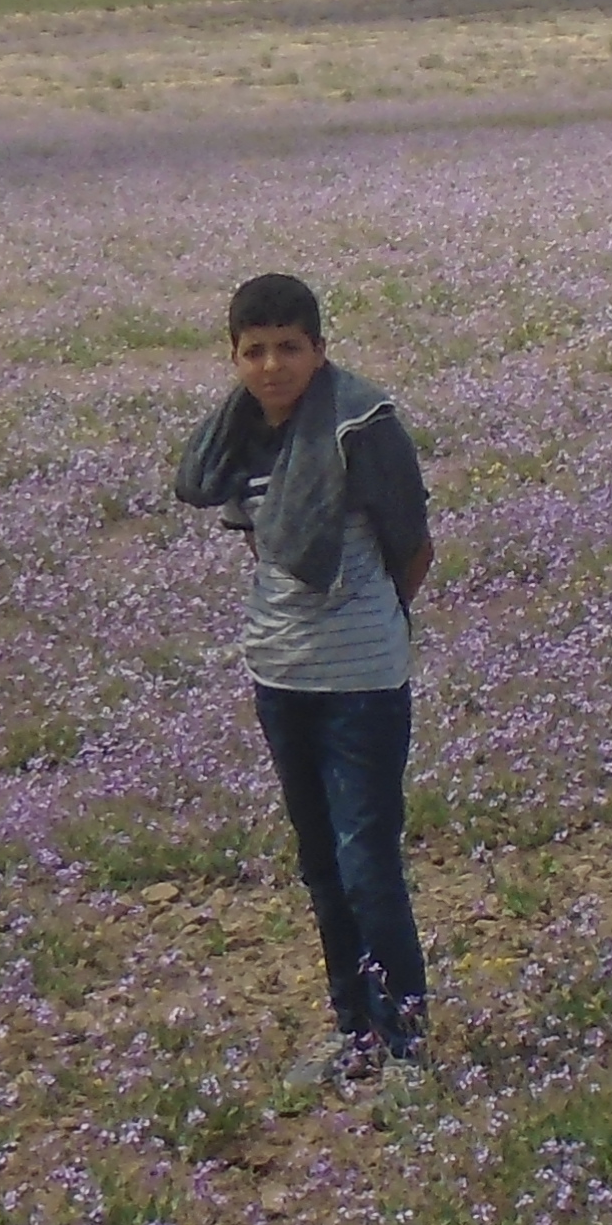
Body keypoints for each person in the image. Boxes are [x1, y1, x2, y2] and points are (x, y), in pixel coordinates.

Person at [169, 272, 434, 1072]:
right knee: (321, 866)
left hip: (361, 680)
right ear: (235, 358)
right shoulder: (243, 435)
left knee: (367, 865)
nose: (273, 366)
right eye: (255, 351)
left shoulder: (364, 424)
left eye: (290, 348)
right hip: (280, 674)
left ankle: (405, 1044)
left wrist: (371, 620)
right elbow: (264, 543)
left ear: (320, 349)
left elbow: (411, 546)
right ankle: (353, 1030)